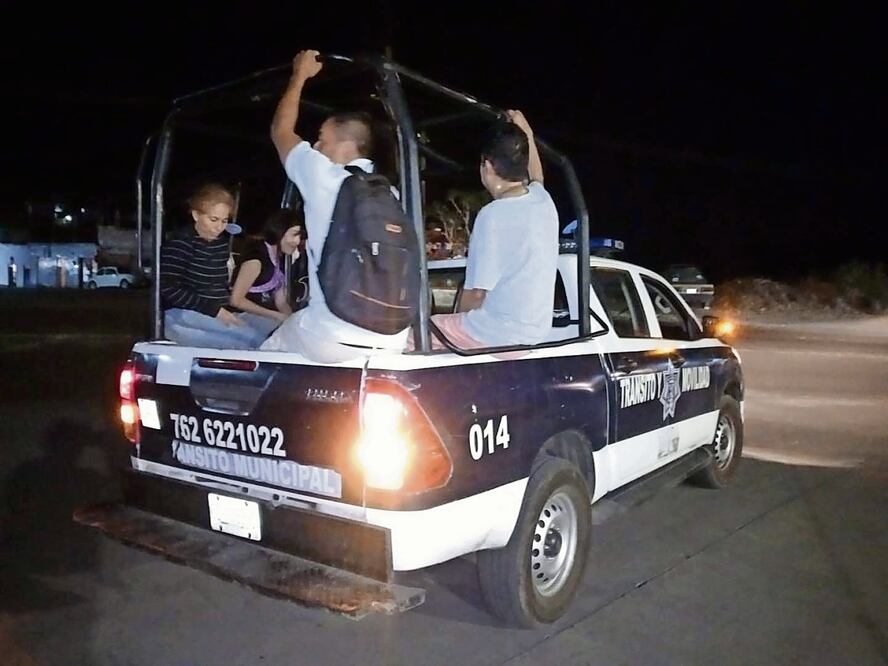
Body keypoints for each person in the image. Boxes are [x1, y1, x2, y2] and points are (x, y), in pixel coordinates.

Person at [261, 49, 410, 362]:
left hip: (334, 332)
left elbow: (280, 132)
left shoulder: (326, 178)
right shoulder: (391, 193)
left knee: (266, 356)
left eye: (322, 139)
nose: (316, 146)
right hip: (394, 338)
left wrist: (299, 75)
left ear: (345, 144)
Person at [427, 110, 559, 352]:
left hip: (495, 333)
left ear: (487, 166)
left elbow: (476, 294)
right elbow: (537, 175)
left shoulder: (493, 214)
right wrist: (526, 131)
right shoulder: (543, 202)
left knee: (414, 335)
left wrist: (458, 338)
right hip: (532, 334)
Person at [160, 183, 274, 349]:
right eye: (213, 220)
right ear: (196, 215)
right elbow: (168, 288)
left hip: (219, 311)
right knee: (253, 341)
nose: (219, 227)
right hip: (183, 315)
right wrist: (215, 311)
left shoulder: (220, 244)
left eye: (224, 221)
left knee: (273, 328)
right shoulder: (181, 243)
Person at [229, 209, 303, 329]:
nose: (297, 241)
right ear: (279, 231)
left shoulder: (280, 259)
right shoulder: (256, 259)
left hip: (263, 317)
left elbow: (281, 302)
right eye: (294, 234)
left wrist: (292, 321)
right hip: (240, 317)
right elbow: (236, 300)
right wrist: (276, 316)